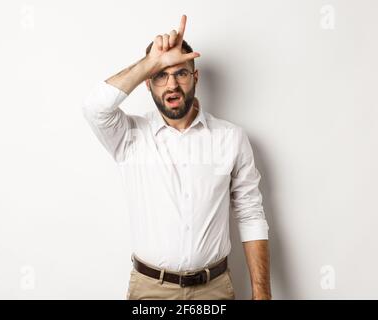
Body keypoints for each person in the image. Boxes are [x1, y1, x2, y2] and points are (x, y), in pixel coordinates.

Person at [82, 14, 272, 300]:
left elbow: (250, 214)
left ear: (195, 77)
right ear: (148, 83)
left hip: (214, 290)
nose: (171, 85)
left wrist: (262, 294)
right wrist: (150, 63)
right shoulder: (130, 136)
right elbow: (94, 107)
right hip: (150, 291)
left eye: (180, 73)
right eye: (161, 75)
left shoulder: (231, 138)